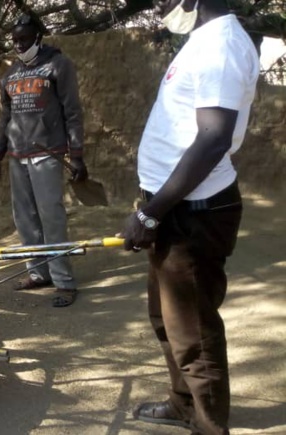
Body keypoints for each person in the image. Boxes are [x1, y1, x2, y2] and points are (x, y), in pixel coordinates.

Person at [120, 1, 259, 433]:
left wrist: (151, 214)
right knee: (167, 320)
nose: (161, 6)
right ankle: (184, 404)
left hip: (193, 213)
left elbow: (214, 137)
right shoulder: (205, 40)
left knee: (193, 331)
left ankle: (209, 424)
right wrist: (153, 210)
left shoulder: (222, 45)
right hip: (172, 209)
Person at [0, 14, 88, 307]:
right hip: (17, 156)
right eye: (15, 40)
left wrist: (77, 155)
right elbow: (5, 118)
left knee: (51, 216)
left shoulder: (58, 65)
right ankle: (38, 272)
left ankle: (64, 282)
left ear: (38, 37)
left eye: (24, 39)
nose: (19, 45)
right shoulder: (11, 74)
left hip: (48, 153)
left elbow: (72, 111)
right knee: (25, 219)